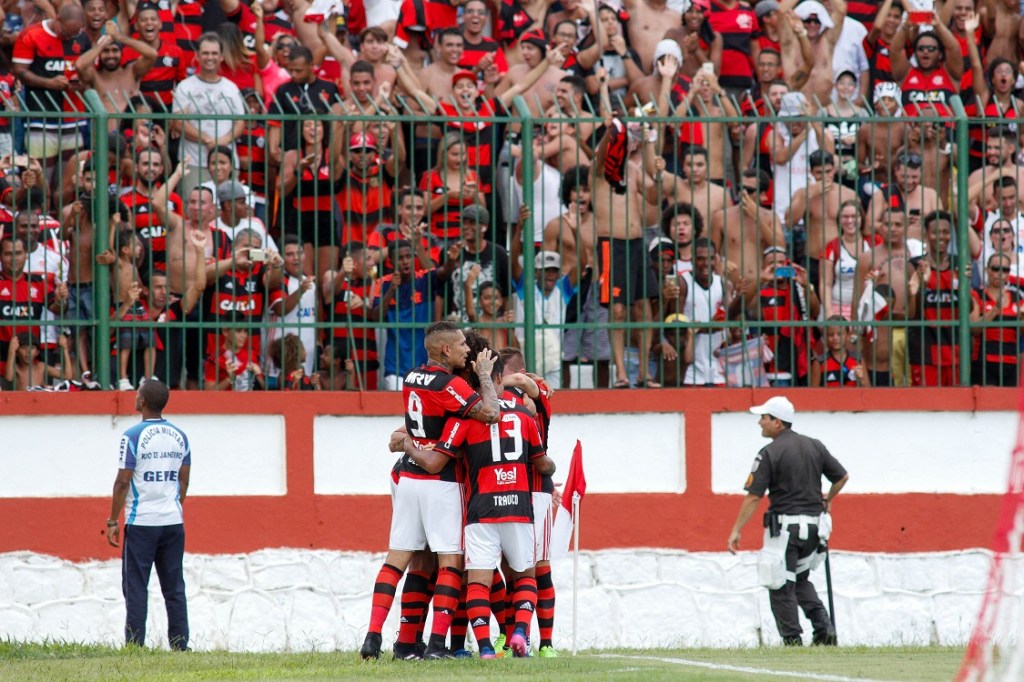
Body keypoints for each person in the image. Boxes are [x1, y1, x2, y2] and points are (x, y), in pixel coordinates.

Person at [359, 321, 500, 661]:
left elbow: (410, 424)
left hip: (407, 481)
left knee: (402, 559)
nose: (467, 351)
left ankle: (378, 638)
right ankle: (438, 645)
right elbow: (492, 412)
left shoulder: (410, 377)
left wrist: (407, 442)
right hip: (439, 484)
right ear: (447, 350)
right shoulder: (452, 389)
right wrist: (484, 376)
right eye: (463, 346)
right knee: (450, 563)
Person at [727, 396, 848, 647]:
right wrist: (827, 500)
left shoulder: (769, 452)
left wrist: (736, 530)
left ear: (778, 422)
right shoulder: (815, 445)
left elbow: (753, 497)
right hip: (815, 527)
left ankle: (791, 639)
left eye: (764, 417)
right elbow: (842, 477)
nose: (760, 422)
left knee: (779, 582)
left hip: (784, 528)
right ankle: (824, 629)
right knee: (800, 580)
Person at [106, 379, 191, 651]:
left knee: (136, 585)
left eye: (137, 394)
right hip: (173, 520)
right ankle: (179, 645)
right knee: (174, 586)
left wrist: (112, 520)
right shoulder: (180, 435)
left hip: (141, 521)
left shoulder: (132, 436)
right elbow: (184, 481)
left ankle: (135, 646)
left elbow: (122, 482)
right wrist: (174, 506)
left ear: (142, 401)